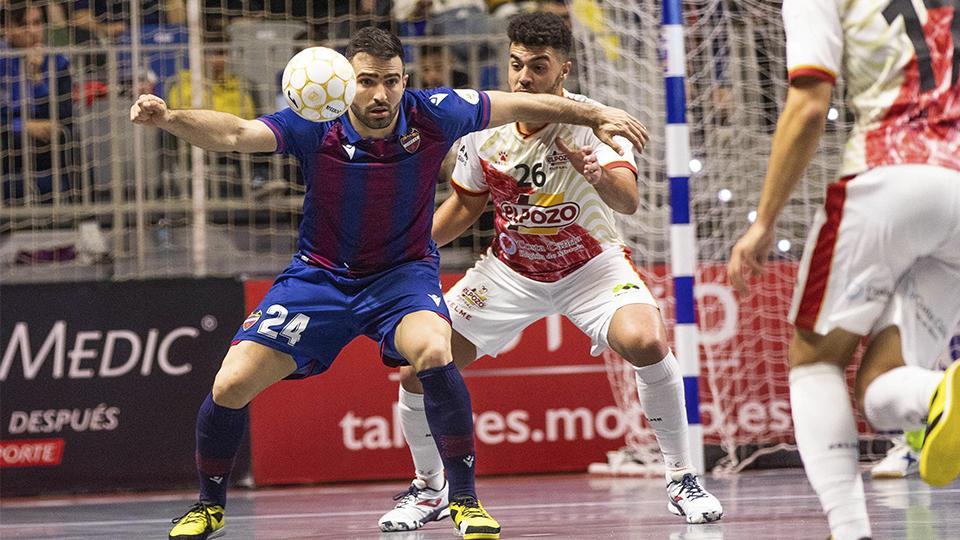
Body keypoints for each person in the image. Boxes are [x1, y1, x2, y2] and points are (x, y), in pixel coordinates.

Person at [130, 26, 647, 540]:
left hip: (403, 276)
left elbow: (519, 103)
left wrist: (597, 113)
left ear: (406, 80)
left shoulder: (437, 111)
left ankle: (463, 500)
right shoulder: (318, 123)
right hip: (319, 278)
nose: (380, 94)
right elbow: (236, 133)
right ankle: (209, 506)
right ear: (345, 82)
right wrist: (170, 118)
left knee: (433, 350)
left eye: (392, 81)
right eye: (367, 81)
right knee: (230, 383)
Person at [377, 12, 722, 534]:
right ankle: (429, 488)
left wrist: (597, 174)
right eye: (516, 65)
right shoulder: (484, 125)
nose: (523, 78)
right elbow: (467, 206)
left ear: (564, 69)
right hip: (509, 271)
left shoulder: (596, 120)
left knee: (646, 340)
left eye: (538, 67)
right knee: (416, 367)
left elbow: (626, 201)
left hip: (591, 265)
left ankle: (681, 478)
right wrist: (399, 247)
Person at [728, 1, 960, 538]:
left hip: (890, 178)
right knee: (882, 392)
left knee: (814, 361)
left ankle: (849, 530)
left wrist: (764, 221)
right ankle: (936, 395)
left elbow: (809, 106)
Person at [1, 1, 73, 203]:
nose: (32, 31)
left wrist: (37, 79)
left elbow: (65, 112)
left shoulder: (57, 61)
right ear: (8, 29)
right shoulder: (1, 59)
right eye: (24, 24)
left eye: (37, 22)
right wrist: (21, 125)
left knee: (71, 139)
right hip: (9, 133)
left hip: (45, 130)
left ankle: (85, 218)